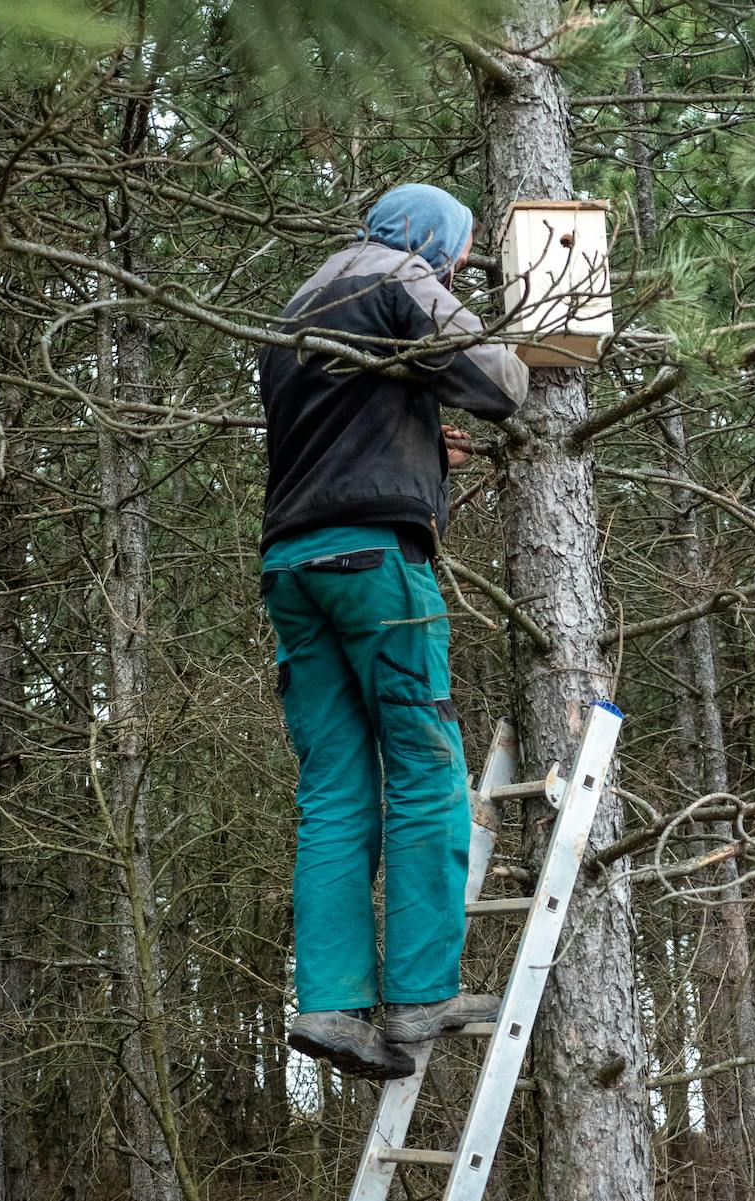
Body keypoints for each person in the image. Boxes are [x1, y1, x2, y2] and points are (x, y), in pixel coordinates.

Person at [257, 183, 530, 1079]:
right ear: (434, 238)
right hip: (377, 564)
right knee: (422, 763)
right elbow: (495, 380)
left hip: (294, 566)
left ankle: (331, 1004)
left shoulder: (299, 307)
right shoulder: (399, 274)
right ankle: (421, 991)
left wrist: (420, 445)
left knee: (334, 784)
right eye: (457, 251)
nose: (454, 266)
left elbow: (342, 428)